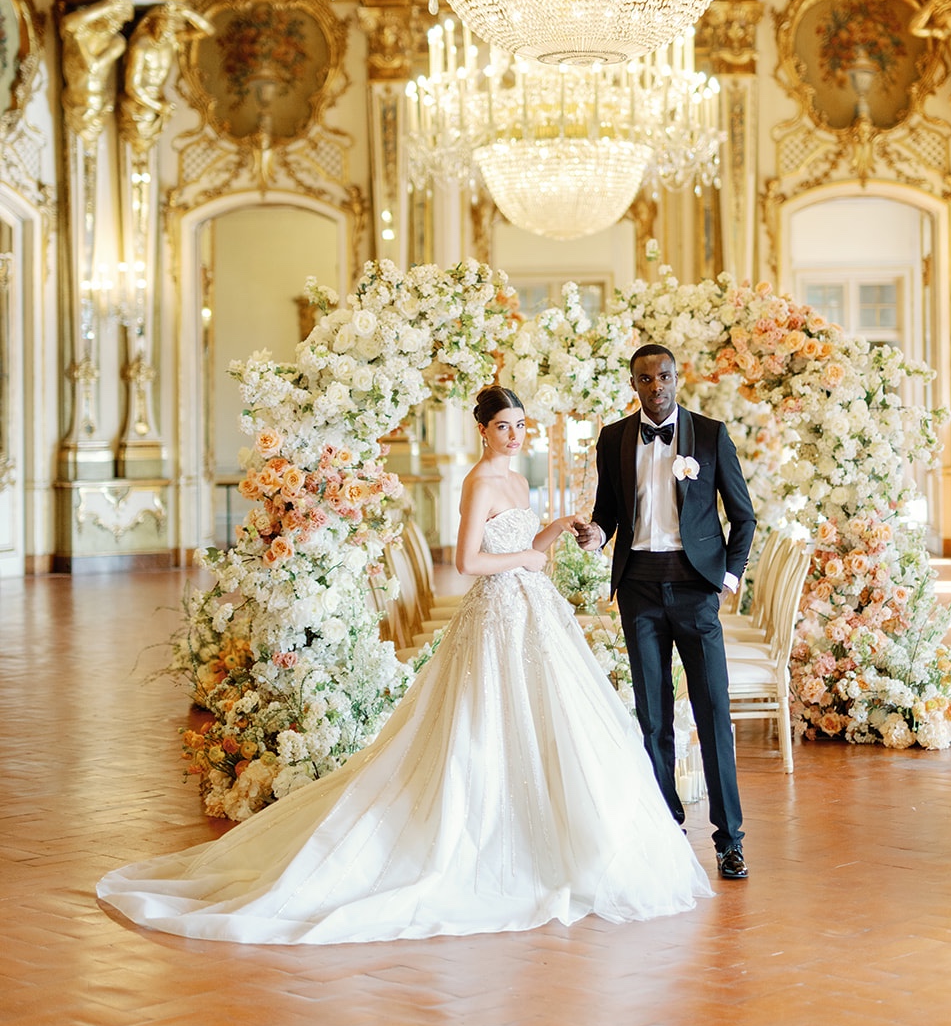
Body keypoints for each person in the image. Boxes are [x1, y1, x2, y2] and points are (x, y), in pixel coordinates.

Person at [97, 385, 711, 944]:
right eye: (504, 426)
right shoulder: (477, 483)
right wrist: (528, 553)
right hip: (497, 614)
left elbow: (528, 554)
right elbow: (470, 562)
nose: (515, 435)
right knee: (482, 729)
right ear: (483, 430)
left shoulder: (520, 482)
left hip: (534, 613)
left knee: (553, 726)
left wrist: (550, 531)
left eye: (521, 425)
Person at [575, 345, 756, 880]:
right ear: (633, 384)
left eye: (665, 376)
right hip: (638, 588)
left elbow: (743, 517)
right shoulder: (613, 438)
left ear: (678, 379)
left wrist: (726, 578)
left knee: (712, 715)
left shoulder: (711, 434)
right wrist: (597, 534)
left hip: (696, 586)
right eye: (646, 379)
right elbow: (608, 509)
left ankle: (729, 841)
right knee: (653, 718)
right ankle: (666, 829)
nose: (657, 386)